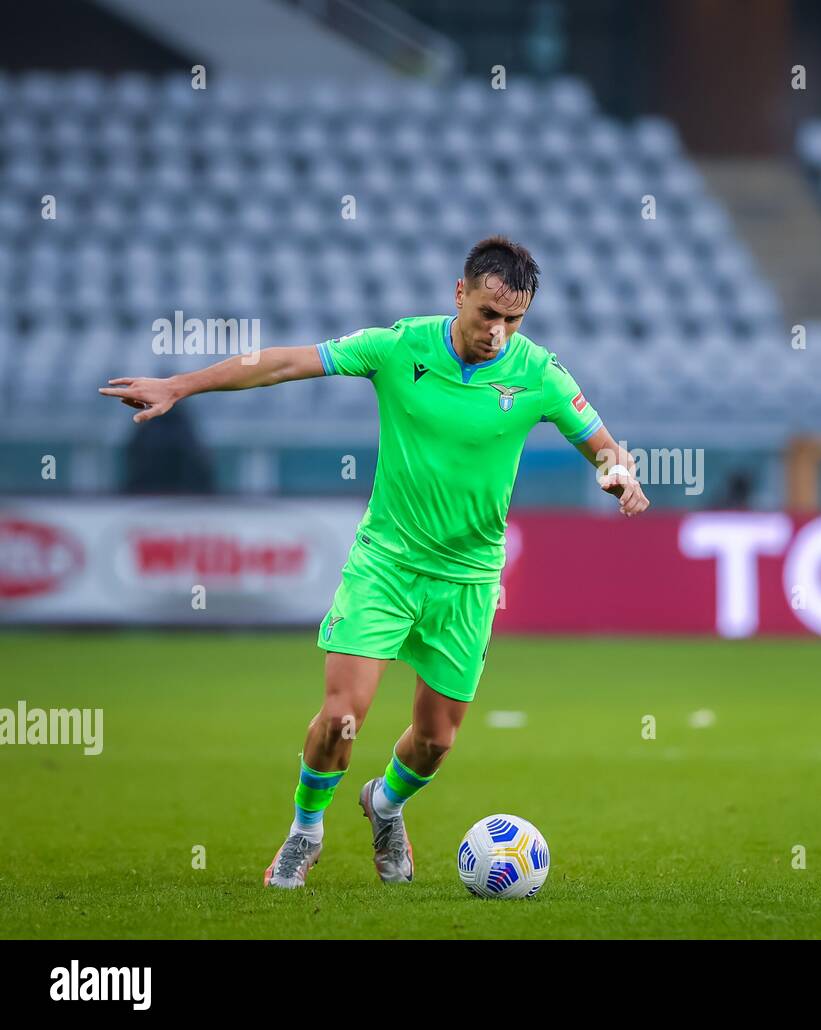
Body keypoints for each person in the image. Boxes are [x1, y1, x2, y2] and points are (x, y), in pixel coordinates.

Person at [100, 236, 650, 888]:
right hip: (385, 565)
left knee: (436, 741)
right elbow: (282, 363)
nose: (498, 333)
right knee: (341, 715)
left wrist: (619, 475)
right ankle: (306, 830)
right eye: (487, 315)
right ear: (460, 294)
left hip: (469, 582)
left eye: (513, 321)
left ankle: (384, 805)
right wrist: (180, 385)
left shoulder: (540, 374)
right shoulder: (399, 347)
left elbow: (603, 444)